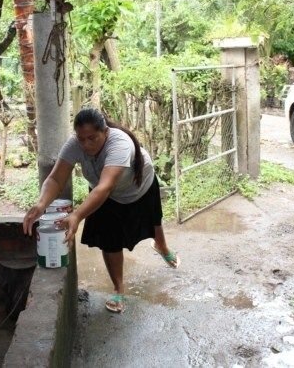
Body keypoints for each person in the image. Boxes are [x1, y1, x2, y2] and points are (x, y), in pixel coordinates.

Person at [23, 108, 180, 313]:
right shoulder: (75, 144)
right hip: (103, 192)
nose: (86, 144)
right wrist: (41, 204)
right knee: (110, 239)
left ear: (105, 132)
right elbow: (55, 179)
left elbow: (106, 186)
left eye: (92, 138)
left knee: (153, 221)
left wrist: (77, 215)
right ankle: (118, 288)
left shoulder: (119, 144)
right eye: (81, 139)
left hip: (138, 186)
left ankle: (162, 247)